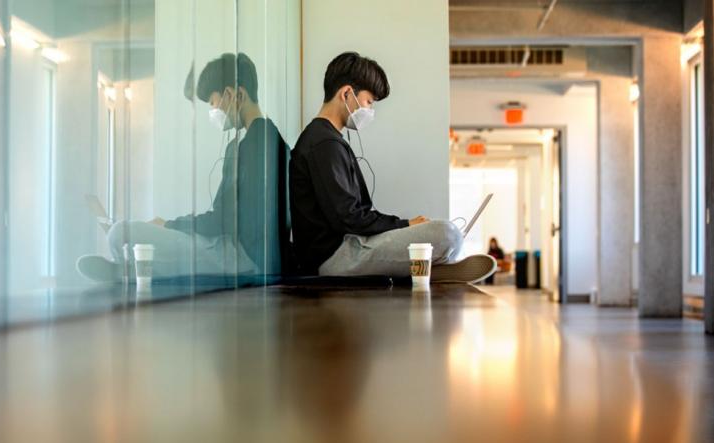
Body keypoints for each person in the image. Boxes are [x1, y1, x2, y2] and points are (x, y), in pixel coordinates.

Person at [77, 53, 290, 283]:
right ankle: (131, 269)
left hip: (243, 256)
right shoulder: (268, 139)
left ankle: (127, 269)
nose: (213, 110)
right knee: (129, 237)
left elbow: (223, 219)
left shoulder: (256, 144)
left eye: (213, 102)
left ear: (232, 94)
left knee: (120, 233)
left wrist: (170, 224)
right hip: (241, 250)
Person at [289, 52, 496, 282]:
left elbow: (349, 215)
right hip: (336, 256)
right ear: (347, 93)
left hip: (349, 247)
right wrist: (403, 225)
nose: (369, 110)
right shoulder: (323, 143)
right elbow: (348, 218)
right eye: (368, 102)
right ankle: (426, 267)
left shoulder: (328, 140)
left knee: (444, 236)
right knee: (448, 235)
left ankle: (424, 268)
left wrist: (402, 227)